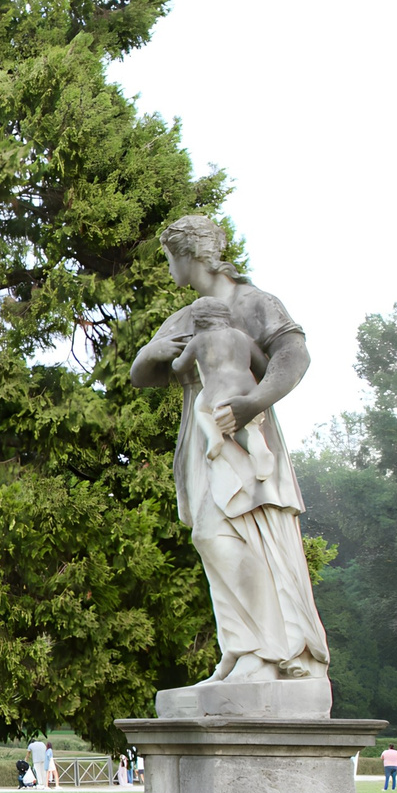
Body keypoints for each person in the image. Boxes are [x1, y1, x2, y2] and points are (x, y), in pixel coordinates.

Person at [128, 214, 331, 686]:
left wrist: (253, 401)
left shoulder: (254, 302)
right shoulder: (190, 315)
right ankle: (240, 649)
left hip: (246, 433)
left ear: (187, 255)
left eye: (169, 258)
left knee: (248, 541)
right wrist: (155, 354)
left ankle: (268, 653)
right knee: (209, 537)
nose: (169, 268)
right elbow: (143, 371)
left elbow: (292, 354)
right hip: (204, 442)